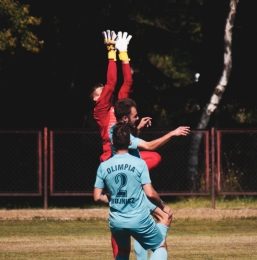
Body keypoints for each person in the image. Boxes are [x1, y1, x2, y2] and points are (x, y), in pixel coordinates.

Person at [90, 30, 171, 260]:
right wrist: (111, 52)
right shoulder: (101, 111)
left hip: (128, 158)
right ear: (96, 99)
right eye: (99, 93)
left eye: (102, 92)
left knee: (154, 158)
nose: (103, 93)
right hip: (111, 160)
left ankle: (139, 200)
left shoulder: (120, 110)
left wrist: (125, 54)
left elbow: (127, 82)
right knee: (121, 217)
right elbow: (112, 82)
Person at [94, 123, 172, 260]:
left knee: (123, 252)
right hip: (139, 219)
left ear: (112, 142)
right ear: (130, 142)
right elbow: (150, 193)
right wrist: (163, 206)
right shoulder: (139, 163)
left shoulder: (104, 166)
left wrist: (113, 199)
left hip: (116, 221)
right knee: (159, 246)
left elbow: (97, 197)